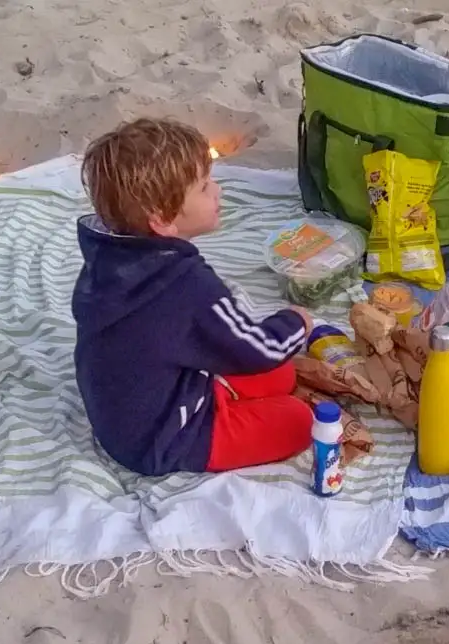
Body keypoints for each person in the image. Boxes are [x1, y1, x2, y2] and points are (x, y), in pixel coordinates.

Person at [72, 117, 314, 476]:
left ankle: (224, 400)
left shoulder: (108, 258)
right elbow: (257, 350)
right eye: (203, 187)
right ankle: (222, 415)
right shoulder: (184, 286)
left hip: (130, 414)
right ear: (162, 220)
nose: (217, 191)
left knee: (281, 377)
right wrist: (297, 322)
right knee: (300, 421)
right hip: (166, 439)